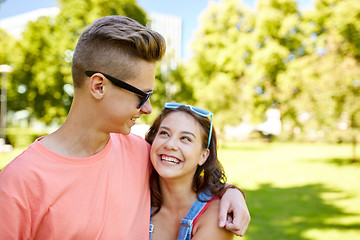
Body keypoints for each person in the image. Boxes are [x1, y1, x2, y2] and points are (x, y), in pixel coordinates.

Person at [0, 16, 249, 239]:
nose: (148, 109)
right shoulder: (17, 184)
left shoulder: (141, 154)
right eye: (142, 95)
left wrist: (232, 193)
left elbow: (190, 183)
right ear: (98, 86)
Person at [146, 103, 240, 240]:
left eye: (185, 138)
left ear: (203, 156)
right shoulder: (137, 197)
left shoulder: (215, 216)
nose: (170, 144)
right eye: (164, 133)